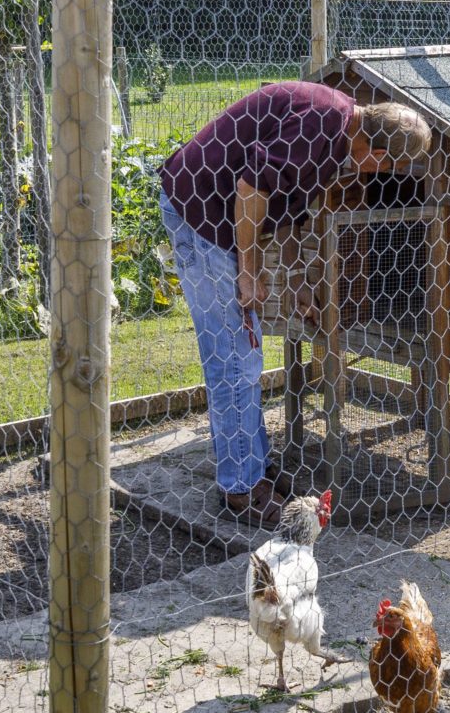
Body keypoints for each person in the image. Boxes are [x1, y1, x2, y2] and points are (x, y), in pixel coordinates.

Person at [159, 81, 432, 525]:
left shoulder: (338, 132)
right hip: (199, 213)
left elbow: (287, 208)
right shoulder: (321, 126)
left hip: (216, 211)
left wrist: (298, 281)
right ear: (377, 153)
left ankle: (253, 468)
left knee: (243, 356)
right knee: (232, 359)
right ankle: (241, 489)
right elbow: (251, 189)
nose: (373, 174)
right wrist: (248, 270)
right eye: (383, 167)